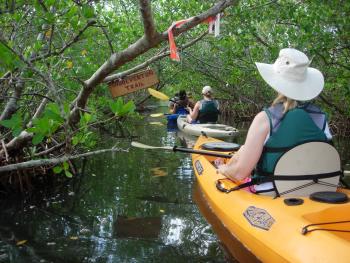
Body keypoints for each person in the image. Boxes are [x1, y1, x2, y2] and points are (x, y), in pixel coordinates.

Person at [217, 48, 332, 193]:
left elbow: (240, 173)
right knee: (243, 149)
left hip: (272, 193)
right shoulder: (321, 119)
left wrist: (223, 169)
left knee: (239, 161)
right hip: (318, 191)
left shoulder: (264, 119)